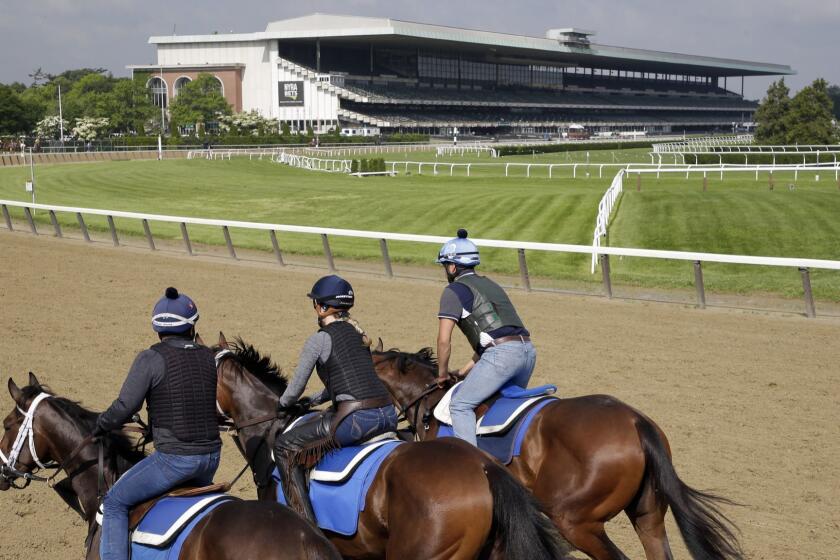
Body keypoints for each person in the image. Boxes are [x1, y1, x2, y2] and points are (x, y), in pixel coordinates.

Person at [95, 287, 221, 560]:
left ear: (158, 328)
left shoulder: (150, 358)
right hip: (211, 458)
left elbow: (125, 407)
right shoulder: (208, 357)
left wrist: (102, 424)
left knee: (114, 501)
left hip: (175, 461)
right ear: (192, 325)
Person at [273, 275, 397, 523]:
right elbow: (343, 384)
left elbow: (294, 388)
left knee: (283, 447)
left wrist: (283, 404)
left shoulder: (319, 339)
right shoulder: (359, 335)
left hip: (356, 421)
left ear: (320, 307)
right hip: (389, 414)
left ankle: (305, 527)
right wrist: (313, 400)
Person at [435, 229, 536, 446]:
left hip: (502, 357)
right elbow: (494, 337)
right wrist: (462, 372)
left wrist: (442, 374)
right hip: (527, 353)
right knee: (499, 405)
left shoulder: (453, 291)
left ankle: (470, 465)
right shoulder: (491, 284)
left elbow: (444, 342)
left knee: (460, 405)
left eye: (445, 266)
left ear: (452, 267)